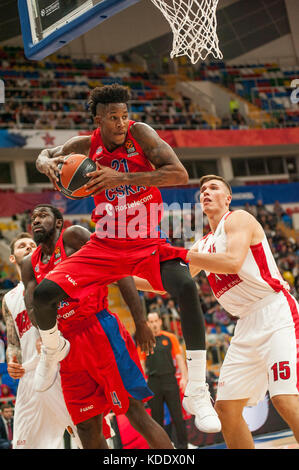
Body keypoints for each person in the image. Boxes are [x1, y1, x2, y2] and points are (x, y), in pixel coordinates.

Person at [32, 84, 220, 433]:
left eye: (123, 116)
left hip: (146, 241)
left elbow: (179, 174)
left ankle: (197, 389)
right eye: (113, 118)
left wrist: (124, 177)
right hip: (105, 244)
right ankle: (51, 348)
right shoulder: (84, 146)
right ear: (99, 120)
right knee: (42, 295)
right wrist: (48, 165)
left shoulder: (141, 135)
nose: (120, 123)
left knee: (187, 288)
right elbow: (44, 155)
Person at [21, 204, 174, 449]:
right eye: (33, 217)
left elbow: (119, 271)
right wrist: (49, 340)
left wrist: (140, 321)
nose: (36, 220)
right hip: (67, 346)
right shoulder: (30, 263)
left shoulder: (73, 237)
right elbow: (32, 308)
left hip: (99, 329)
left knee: (134, 410)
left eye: (43, 215)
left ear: (59, 222)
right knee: (85, 426)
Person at [187, 174, 299, 449]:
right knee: (226, 409)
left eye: (213, 188)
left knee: (283, 398)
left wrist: (176, 254)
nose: (206, 192)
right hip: (246, 323)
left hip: (274, 310)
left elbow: (232, 262)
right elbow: (166, 283)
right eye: (202, 190)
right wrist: (120, 274)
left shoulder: (238, 219)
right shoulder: (201, 245)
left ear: (228, 198)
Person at [2, 231, 82, 449]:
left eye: (31, 244)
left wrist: (52, 335)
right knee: (23, 444)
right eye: (22, 246)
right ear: (12, 258)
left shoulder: (53, 280)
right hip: (29, 377)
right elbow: (13, 341)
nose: (28, 247)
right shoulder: (9, 299)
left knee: (84, 435)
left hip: (59, 367)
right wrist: (12, 361)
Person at [138, 311, 188, 449]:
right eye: (151, 322)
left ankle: (183, 446)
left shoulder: (170, 337)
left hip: (170, 380)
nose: (154, 324)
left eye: (156, 321)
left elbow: (179, 358)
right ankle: (161, 447)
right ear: (147, 324)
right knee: (157, 419)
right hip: (154, 383)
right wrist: (142, 385)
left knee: (177, 416)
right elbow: (141, 364)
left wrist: (184, 377)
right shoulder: (144, 341)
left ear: (160, 321)